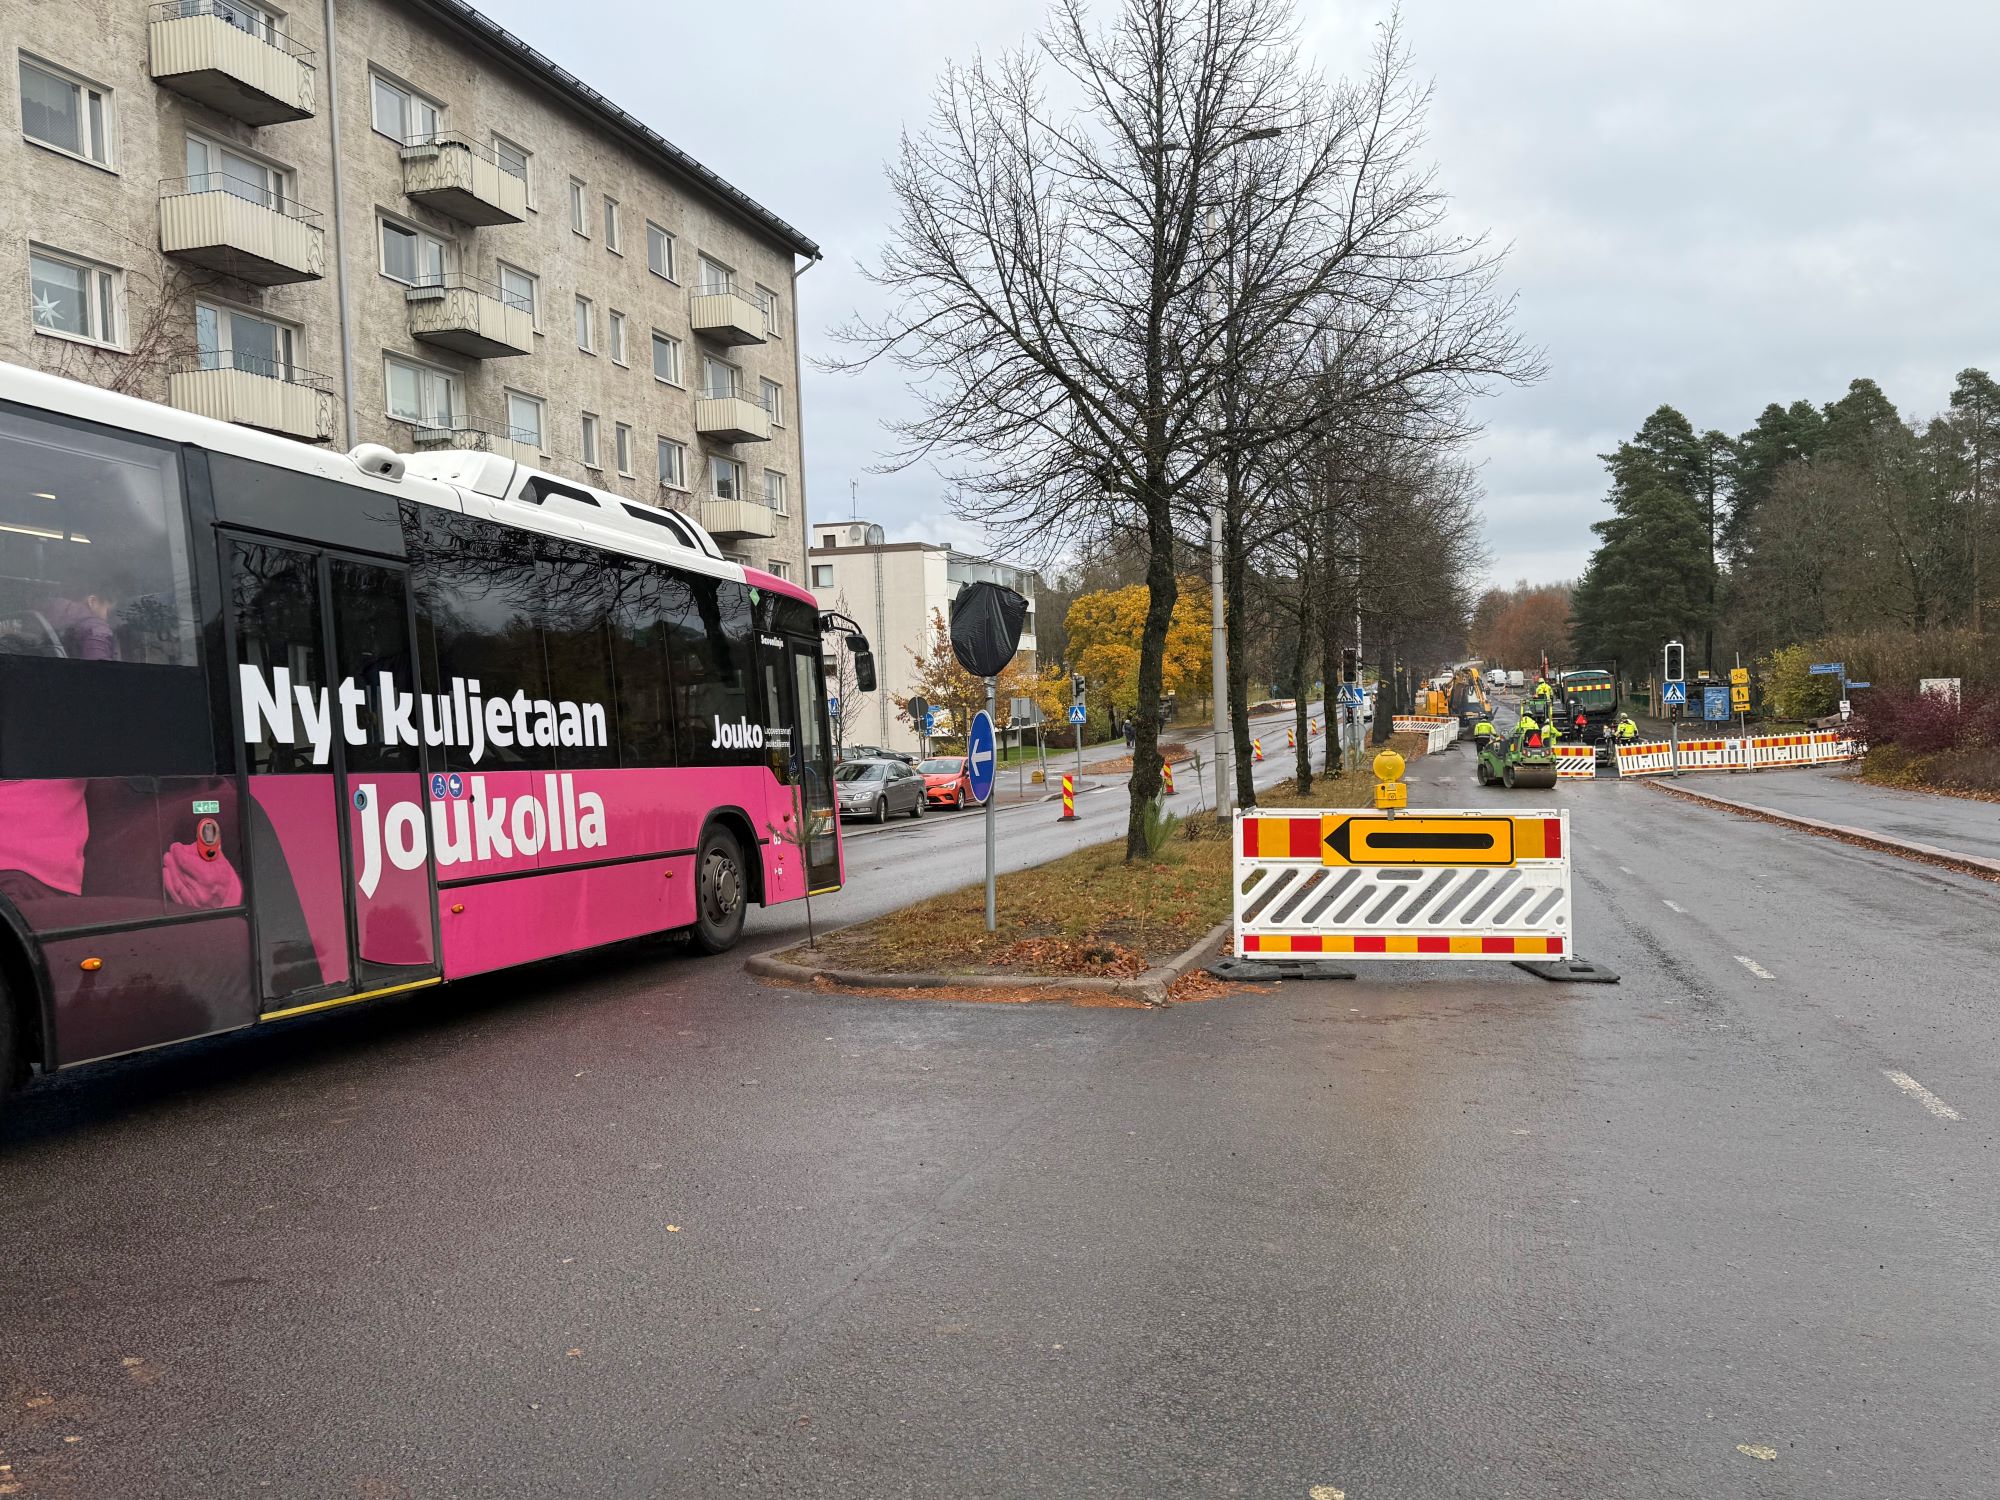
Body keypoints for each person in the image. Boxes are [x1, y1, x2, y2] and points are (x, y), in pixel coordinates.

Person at [38, 583, 121, 661]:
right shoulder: (97, 630)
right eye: (109, 613)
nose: (111, 620)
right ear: (92, 602)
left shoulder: (47, 611)